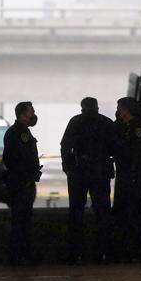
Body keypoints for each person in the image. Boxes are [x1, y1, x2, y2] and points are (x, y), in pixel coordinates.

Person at [59, 97, 119, 263]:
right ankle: (103, 252)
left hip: (79, 172)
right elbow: (115, 147)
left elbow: (65, 145)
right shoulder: (106, 123)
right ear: (97, 107)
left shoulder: (76, 122)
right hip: (100, 172)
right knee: (102, 213)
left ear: (82, 108)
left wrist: (68, 167)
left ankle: (75, 252)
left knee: (76, 212)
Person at [115, 97, 141, 261]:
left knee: (135, 213)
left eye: (121, 108)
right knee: (126, 212)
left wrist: (133, 174)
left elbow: (138, 154)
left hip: (134, 176)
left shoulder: (137, 128)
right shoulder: (125, 127)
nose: (119, 112)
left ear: (127, 109)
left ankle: (138, 249)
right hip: (127, 175)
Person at [3, 101, 41, 265]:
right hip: (21, 183)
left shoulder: (20, 131)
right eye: (31, 111)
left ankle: (21, 254)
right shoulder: (18, 132)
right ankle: (19, 255)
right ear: (24, 114)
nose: (33, 114)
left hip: (23, 181)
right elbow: (14, 159)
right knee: (21, 221)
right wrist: (26, 175)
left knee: (23, 220)